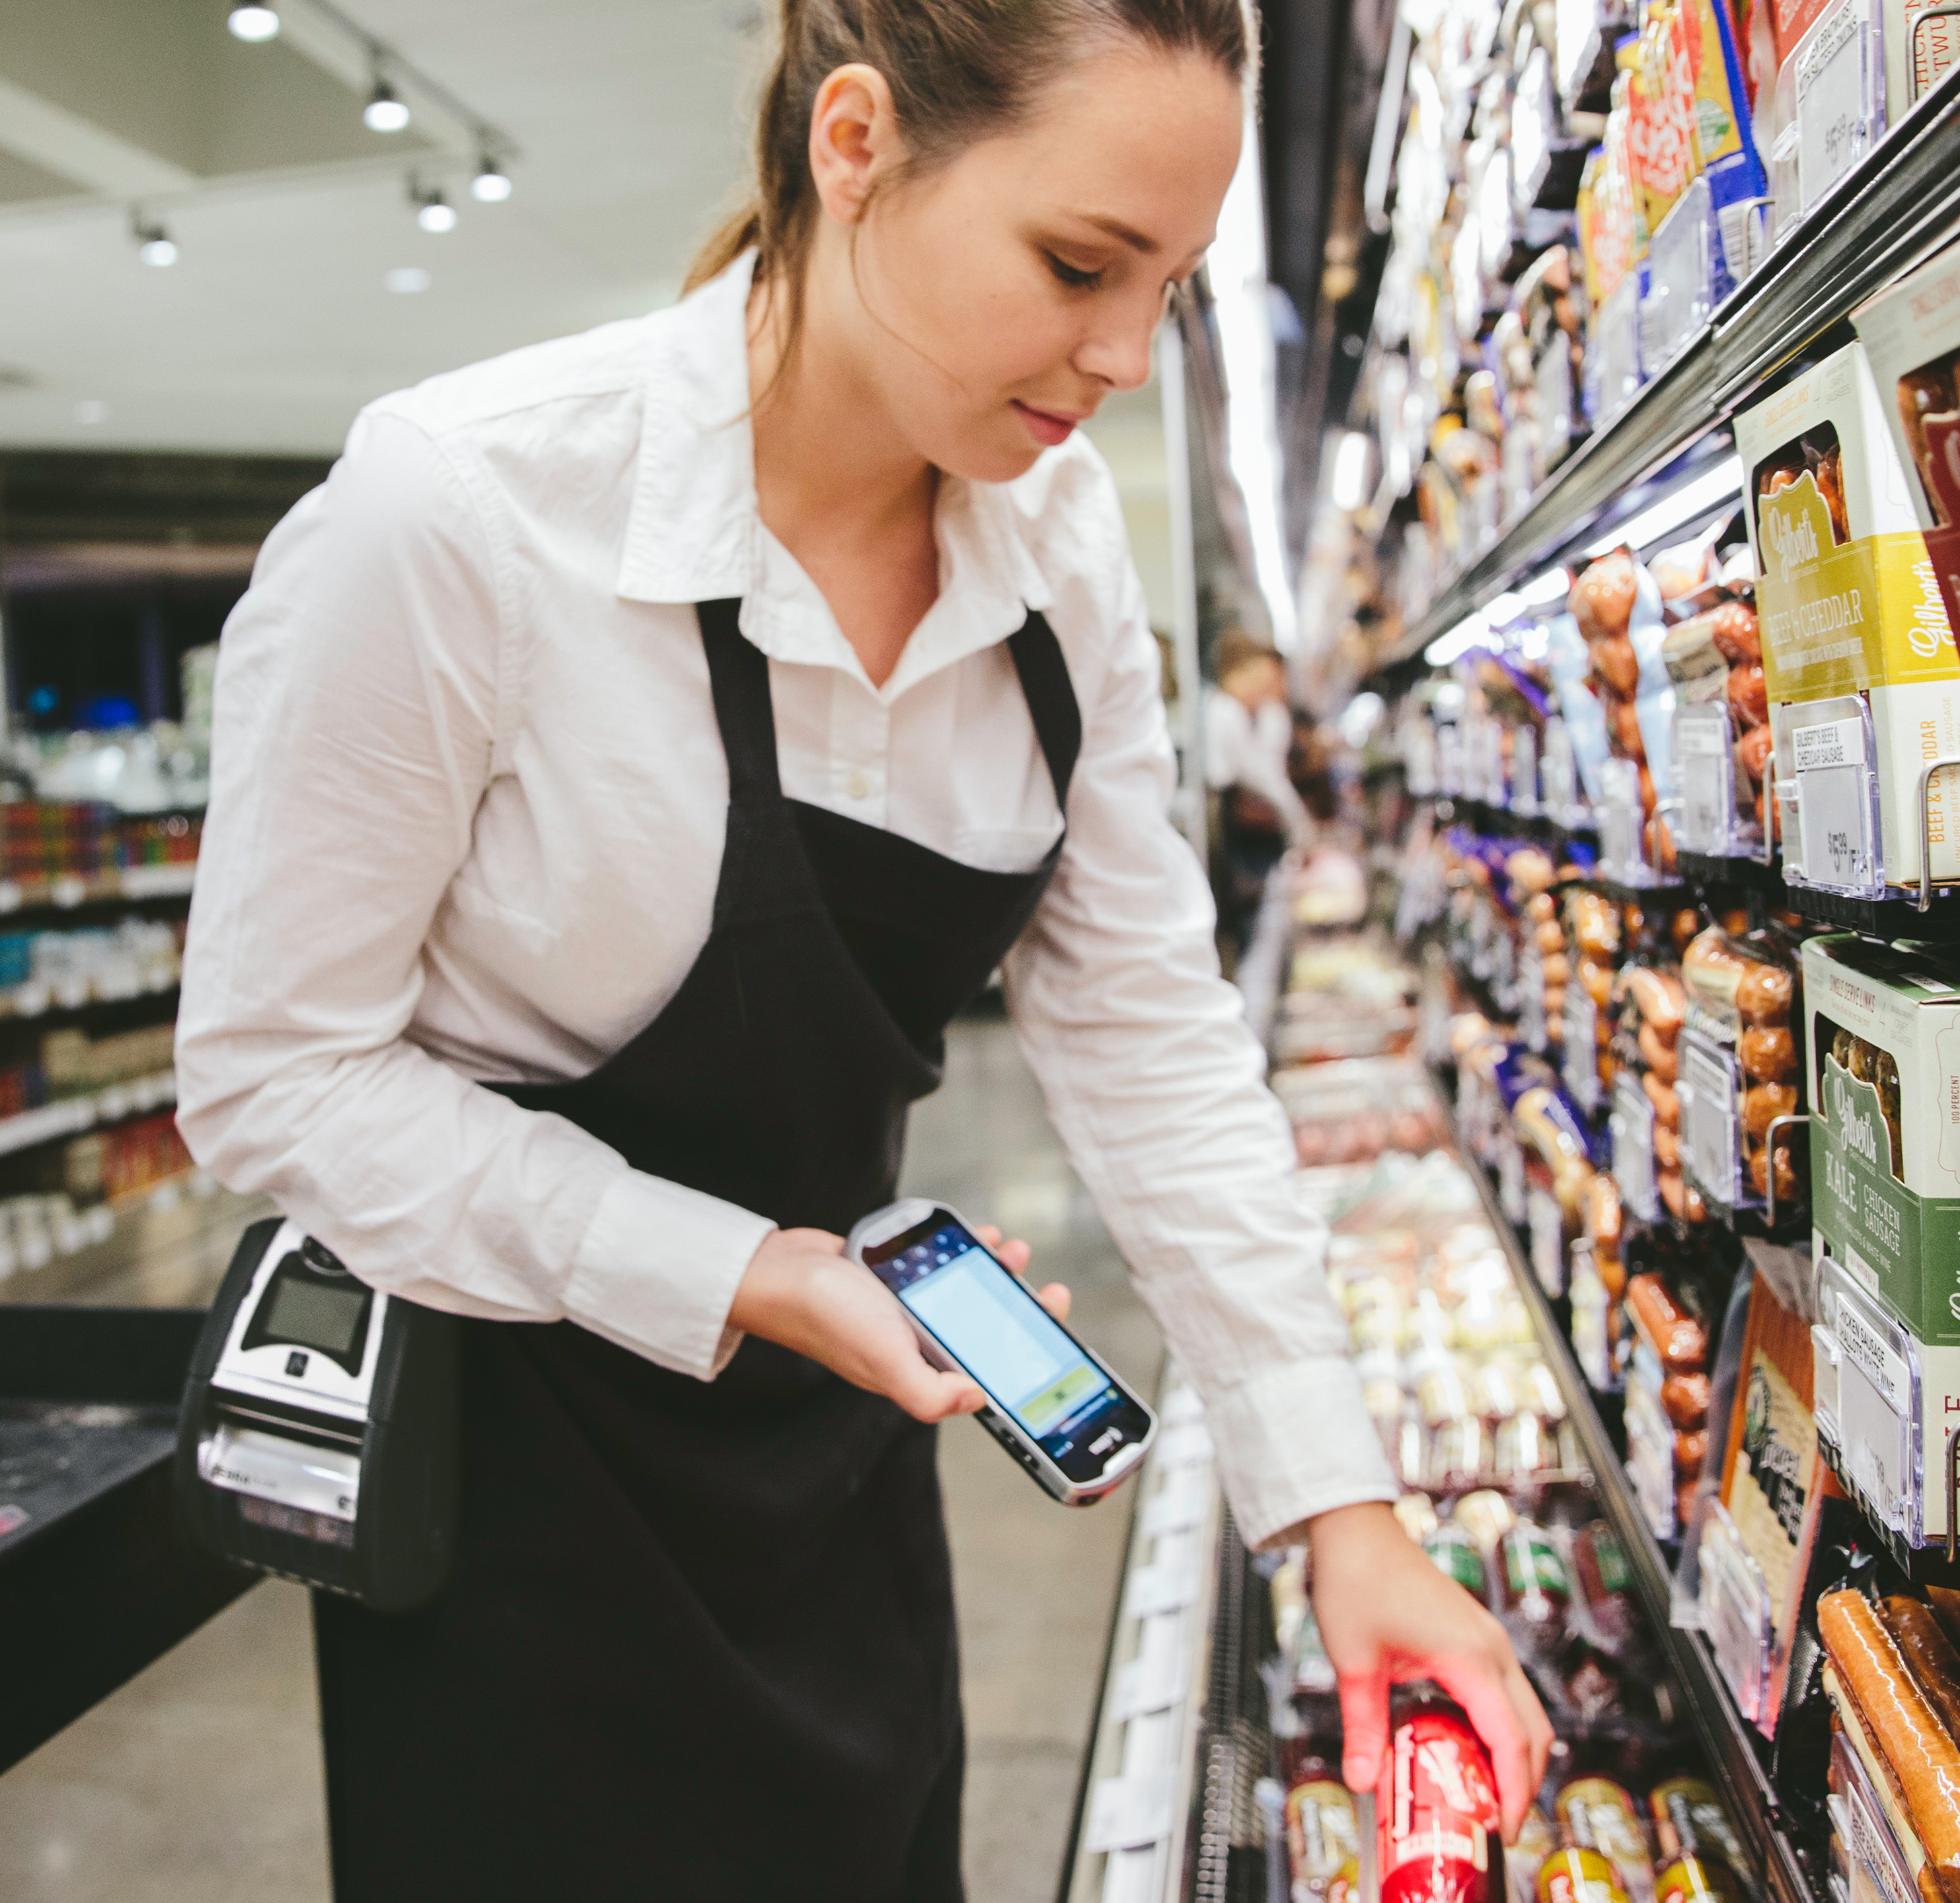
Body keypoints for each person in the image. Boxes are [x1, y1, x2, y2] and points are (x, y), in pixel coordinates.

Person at [174, 3, 1551, 1897]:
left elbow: (1143, 1029)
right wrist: (729, 1269)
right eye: (1077, 266)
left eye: (1164, 286)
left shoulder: (1057, 556)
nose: (1126, 360)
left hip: (849, 1446)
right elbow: (273, 1077)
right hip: (522, 1504)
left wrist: (1340, 1501)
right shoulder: (464, 518)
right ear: (855, 145)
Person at [1204, 626, 1310, 955]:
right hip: (1239, 841)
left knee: (1259, 929)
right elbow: (1247, 775)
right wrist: (1300, 824)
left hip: (1254, 841)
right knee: (1252, 934)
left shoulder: (1258, 715)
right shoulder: (1223, 713)